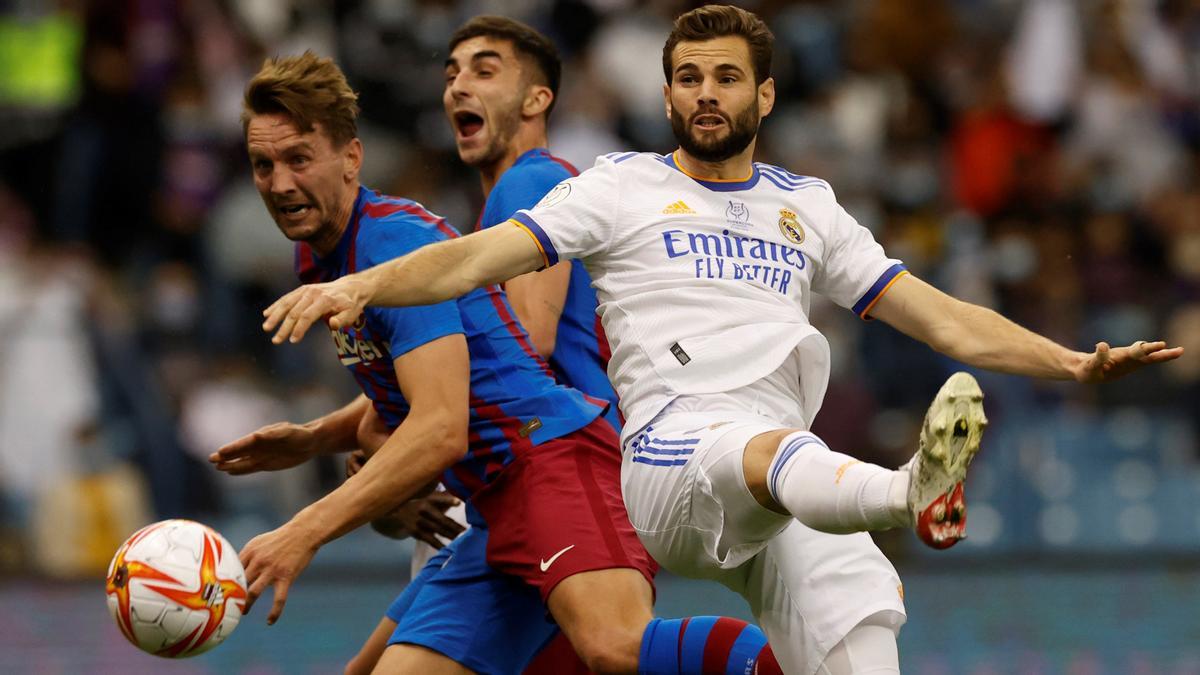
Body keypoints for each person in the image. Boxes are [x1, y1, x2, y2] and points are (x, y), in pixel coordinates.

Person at [260, 6, 1184, 674]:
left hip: (786, 488)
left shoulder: (807, 207)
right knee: (747, 462)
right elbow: (470, 265)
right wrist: (359, 284)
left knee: (853, 606)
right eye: (690, 77)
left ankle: (879, 520)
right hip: (668, 454)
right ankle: (909, 490)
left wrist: (1066, 358)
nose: (707, 93)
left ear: (765, 92)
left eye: (727, 76)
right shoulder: (614, 187)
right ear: (666, 94)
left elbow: (940, 316)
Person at [213, 51, 783, 675]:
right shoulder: (320, 258)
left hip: (552, 461)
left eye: (299, 159)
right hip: (493, 503)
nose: (280, 183)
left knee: (614, 646)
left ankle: (801, 662)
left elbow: (440, 427)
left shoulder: (389, 241)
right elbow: (434, 372)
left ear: (351, 158)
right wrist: (315, 437)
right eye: (263, 165)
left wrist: (304, 531)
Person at [344, 16, 622, 675]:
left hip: (540, 472)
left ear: (537, 99)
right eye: (451, 74)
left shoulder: (532, 185)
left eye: (483, 69)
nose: (458, 86)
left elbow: (526, 343)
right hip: (523, 478)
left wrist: (401, 443)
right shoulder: (499, 208)